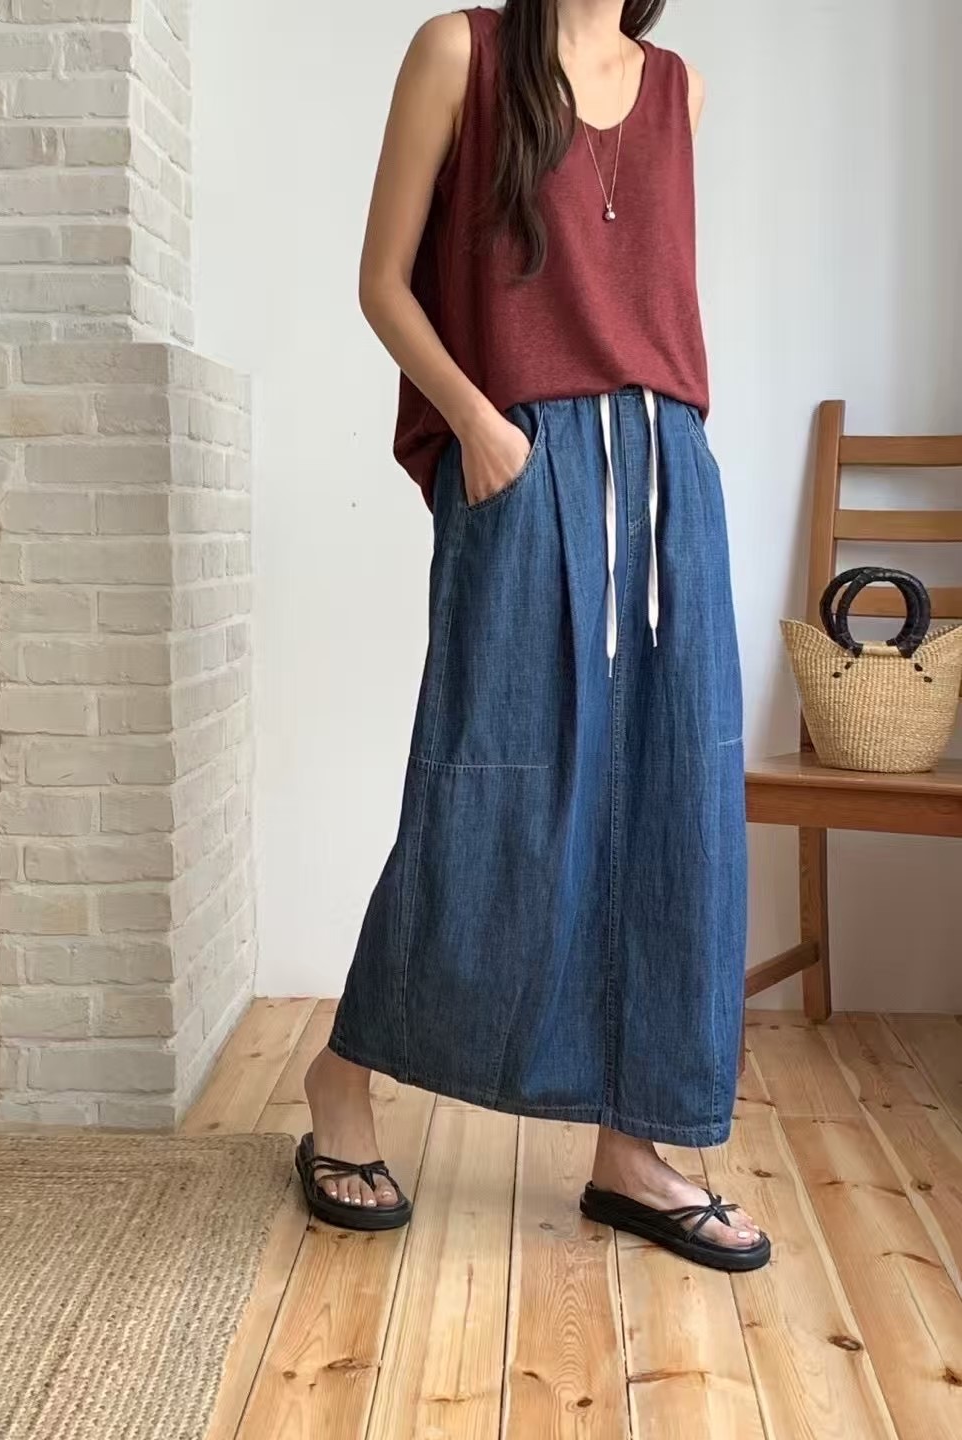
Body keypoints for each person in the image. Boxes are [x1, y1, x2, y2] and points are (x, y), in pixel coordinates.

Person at [297, 0, 769, 1272]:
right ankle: (344, 1078)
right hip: (522, 458)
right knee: (487, 789)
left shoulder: (679, 90)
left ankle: (633, 1146)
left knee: (675, 804)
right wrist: (478, 424)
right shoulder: (462, 53)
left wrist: (670, 466)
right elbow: (382, 281)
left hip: (667, 472)